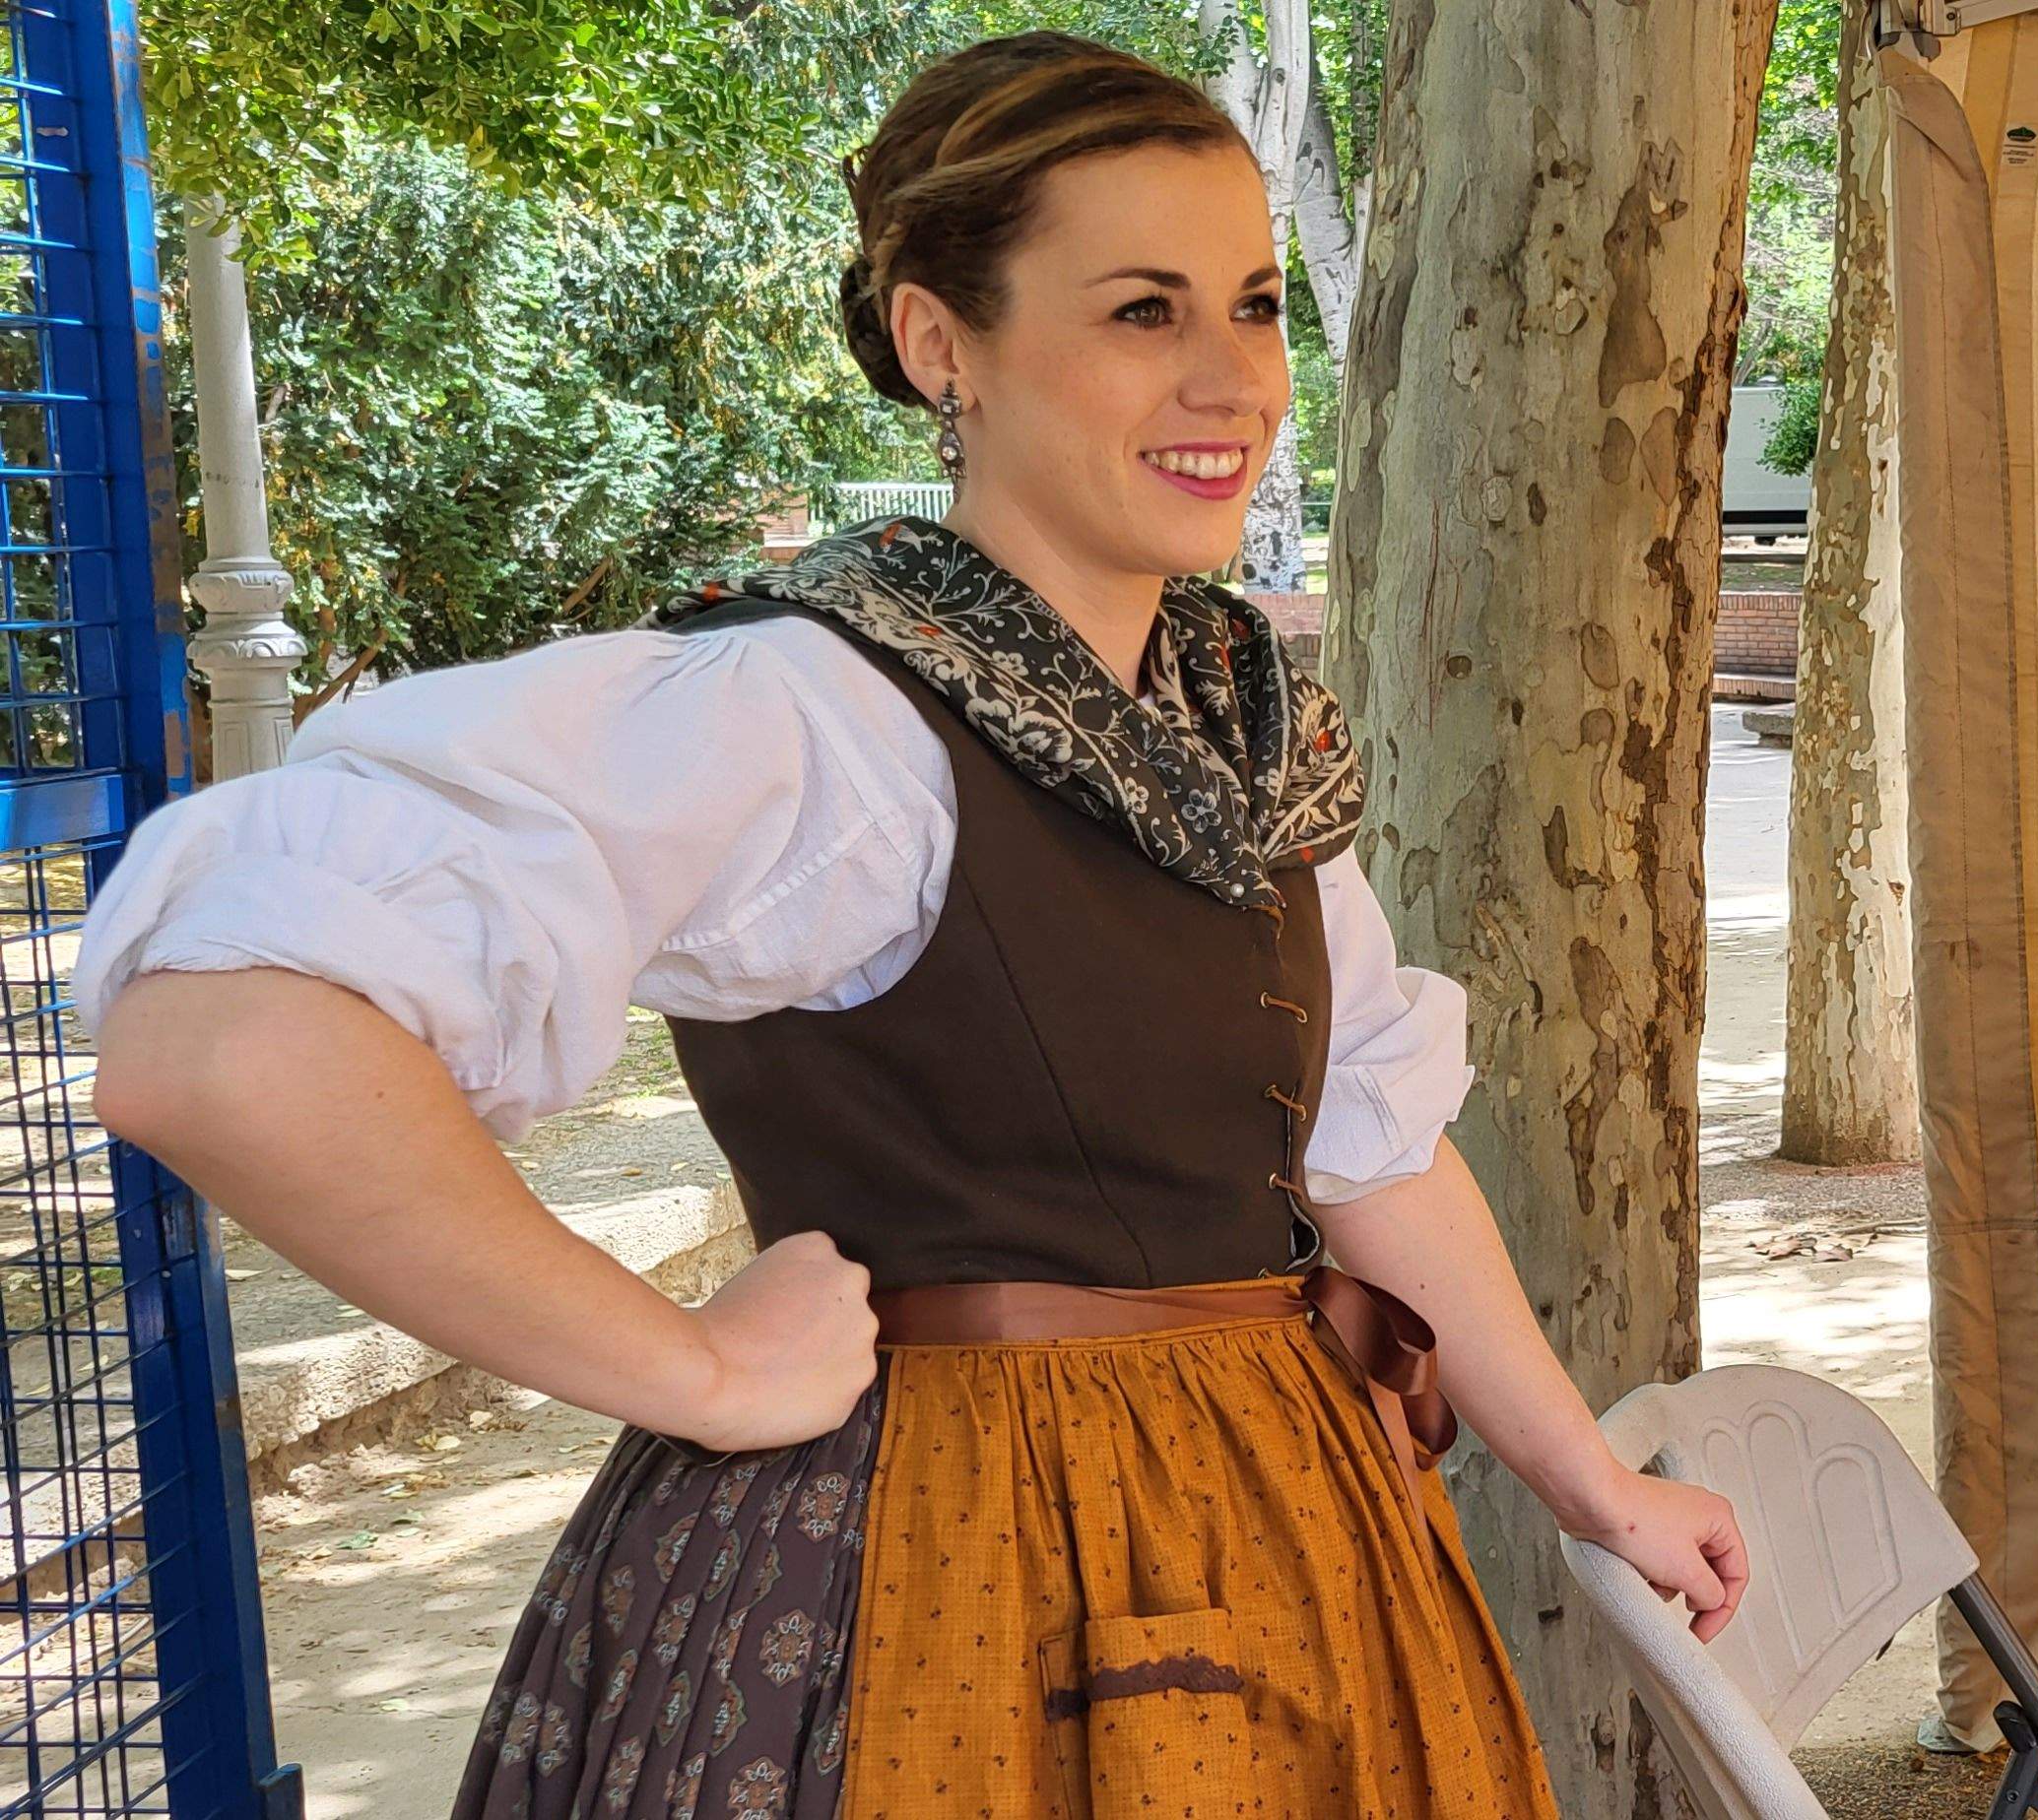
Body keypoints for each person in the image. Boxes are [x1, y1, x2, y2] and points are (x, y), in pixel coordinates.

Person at [77, 34, 1742, 1817]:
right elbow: (222, 1038)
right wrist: (686, 1362)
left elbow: (1371, 1151)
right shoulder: (815, 710)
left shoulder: (1232, 722)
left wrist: (1588, 1482)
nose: (1228, 377)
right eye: (1138, 311)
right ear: (946, 344)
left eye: (1254, 305)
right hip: (954, 1579)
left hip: (1288, 1530)